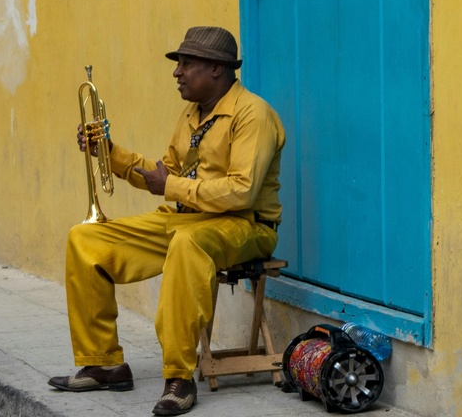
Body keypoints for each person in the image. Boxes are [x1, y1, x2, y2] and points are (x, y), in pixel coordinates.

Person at [50, 26, 286, 416]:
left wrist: (172, 186)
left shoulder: (253, 115)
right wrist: (108, 153)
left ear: (216, 69)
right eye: (179, 64)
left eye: (186, 64)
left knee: (186, 246)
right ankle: (104, 362)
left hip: (245, 225)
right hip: (185, 219)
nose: (177, 72)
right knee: (85, 239)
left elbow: (241, 191)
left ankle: (179, 376)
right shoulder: (193, 113)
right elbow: (166, 173)